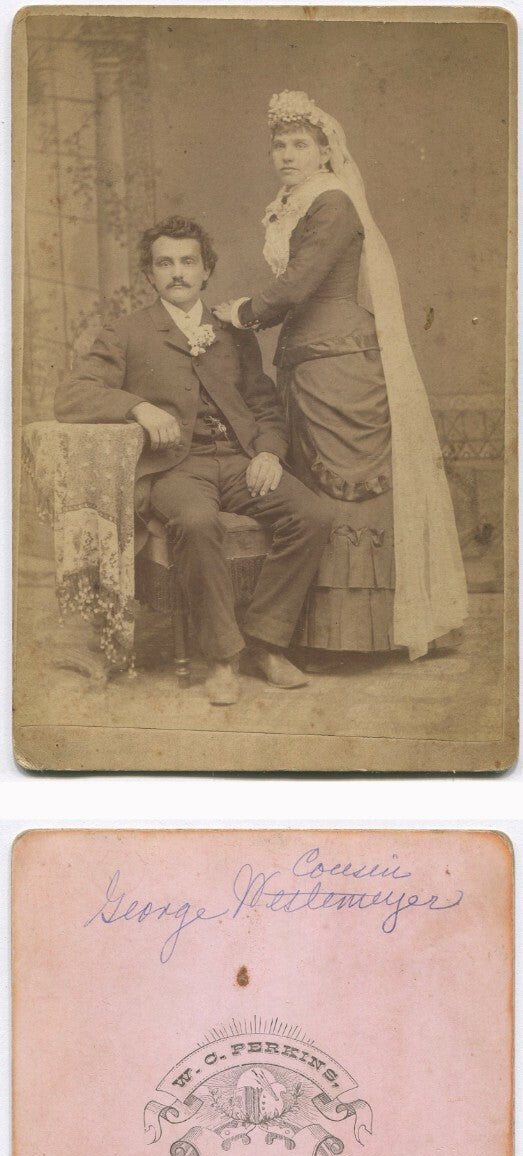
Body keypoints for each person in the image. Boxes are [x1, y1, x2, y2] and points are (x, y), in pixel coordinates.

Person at [215, 90, 468, 663]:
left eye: (300, 144)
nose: (286, 154)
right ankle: (314, 635)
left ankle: (358, 639)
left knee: (342, 485)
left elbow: (299, 285)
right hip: (306, 357)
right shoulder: (295, 201)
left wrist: (242, 313)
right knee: (312, 486)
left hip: (339, 363)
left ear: (326, 151)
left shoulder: (332, 200)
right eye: (279, 145)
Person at [54, 215, 333, 704]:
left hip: (241, 461)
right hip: (175, 469)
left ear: (206, 272)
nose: (177, 273)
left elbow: (265, 406)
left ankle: (266, 644)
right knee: (198, 522)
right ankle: (223, 658)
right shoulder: (126, 332)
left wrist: (267, 451)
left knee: (313, 513)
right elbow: (72, 395)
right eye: (165, 263)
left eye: (188, 262)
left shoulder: (234, 333)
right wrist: (136, 407)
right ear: (150, 274)